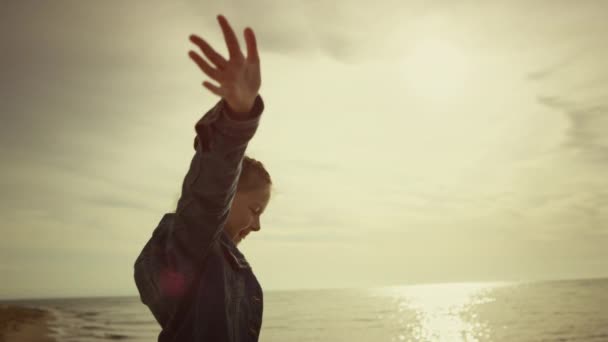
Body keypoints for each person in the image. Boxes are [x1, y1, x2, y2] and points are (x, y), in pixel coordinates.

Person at [134, 14, 272, 342]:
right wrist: (238, 117)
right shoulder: (193, 248)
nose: (256, 226)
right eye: (254, 210)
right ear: (229, 193)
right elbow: (211, 190)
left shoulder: (222, 265)